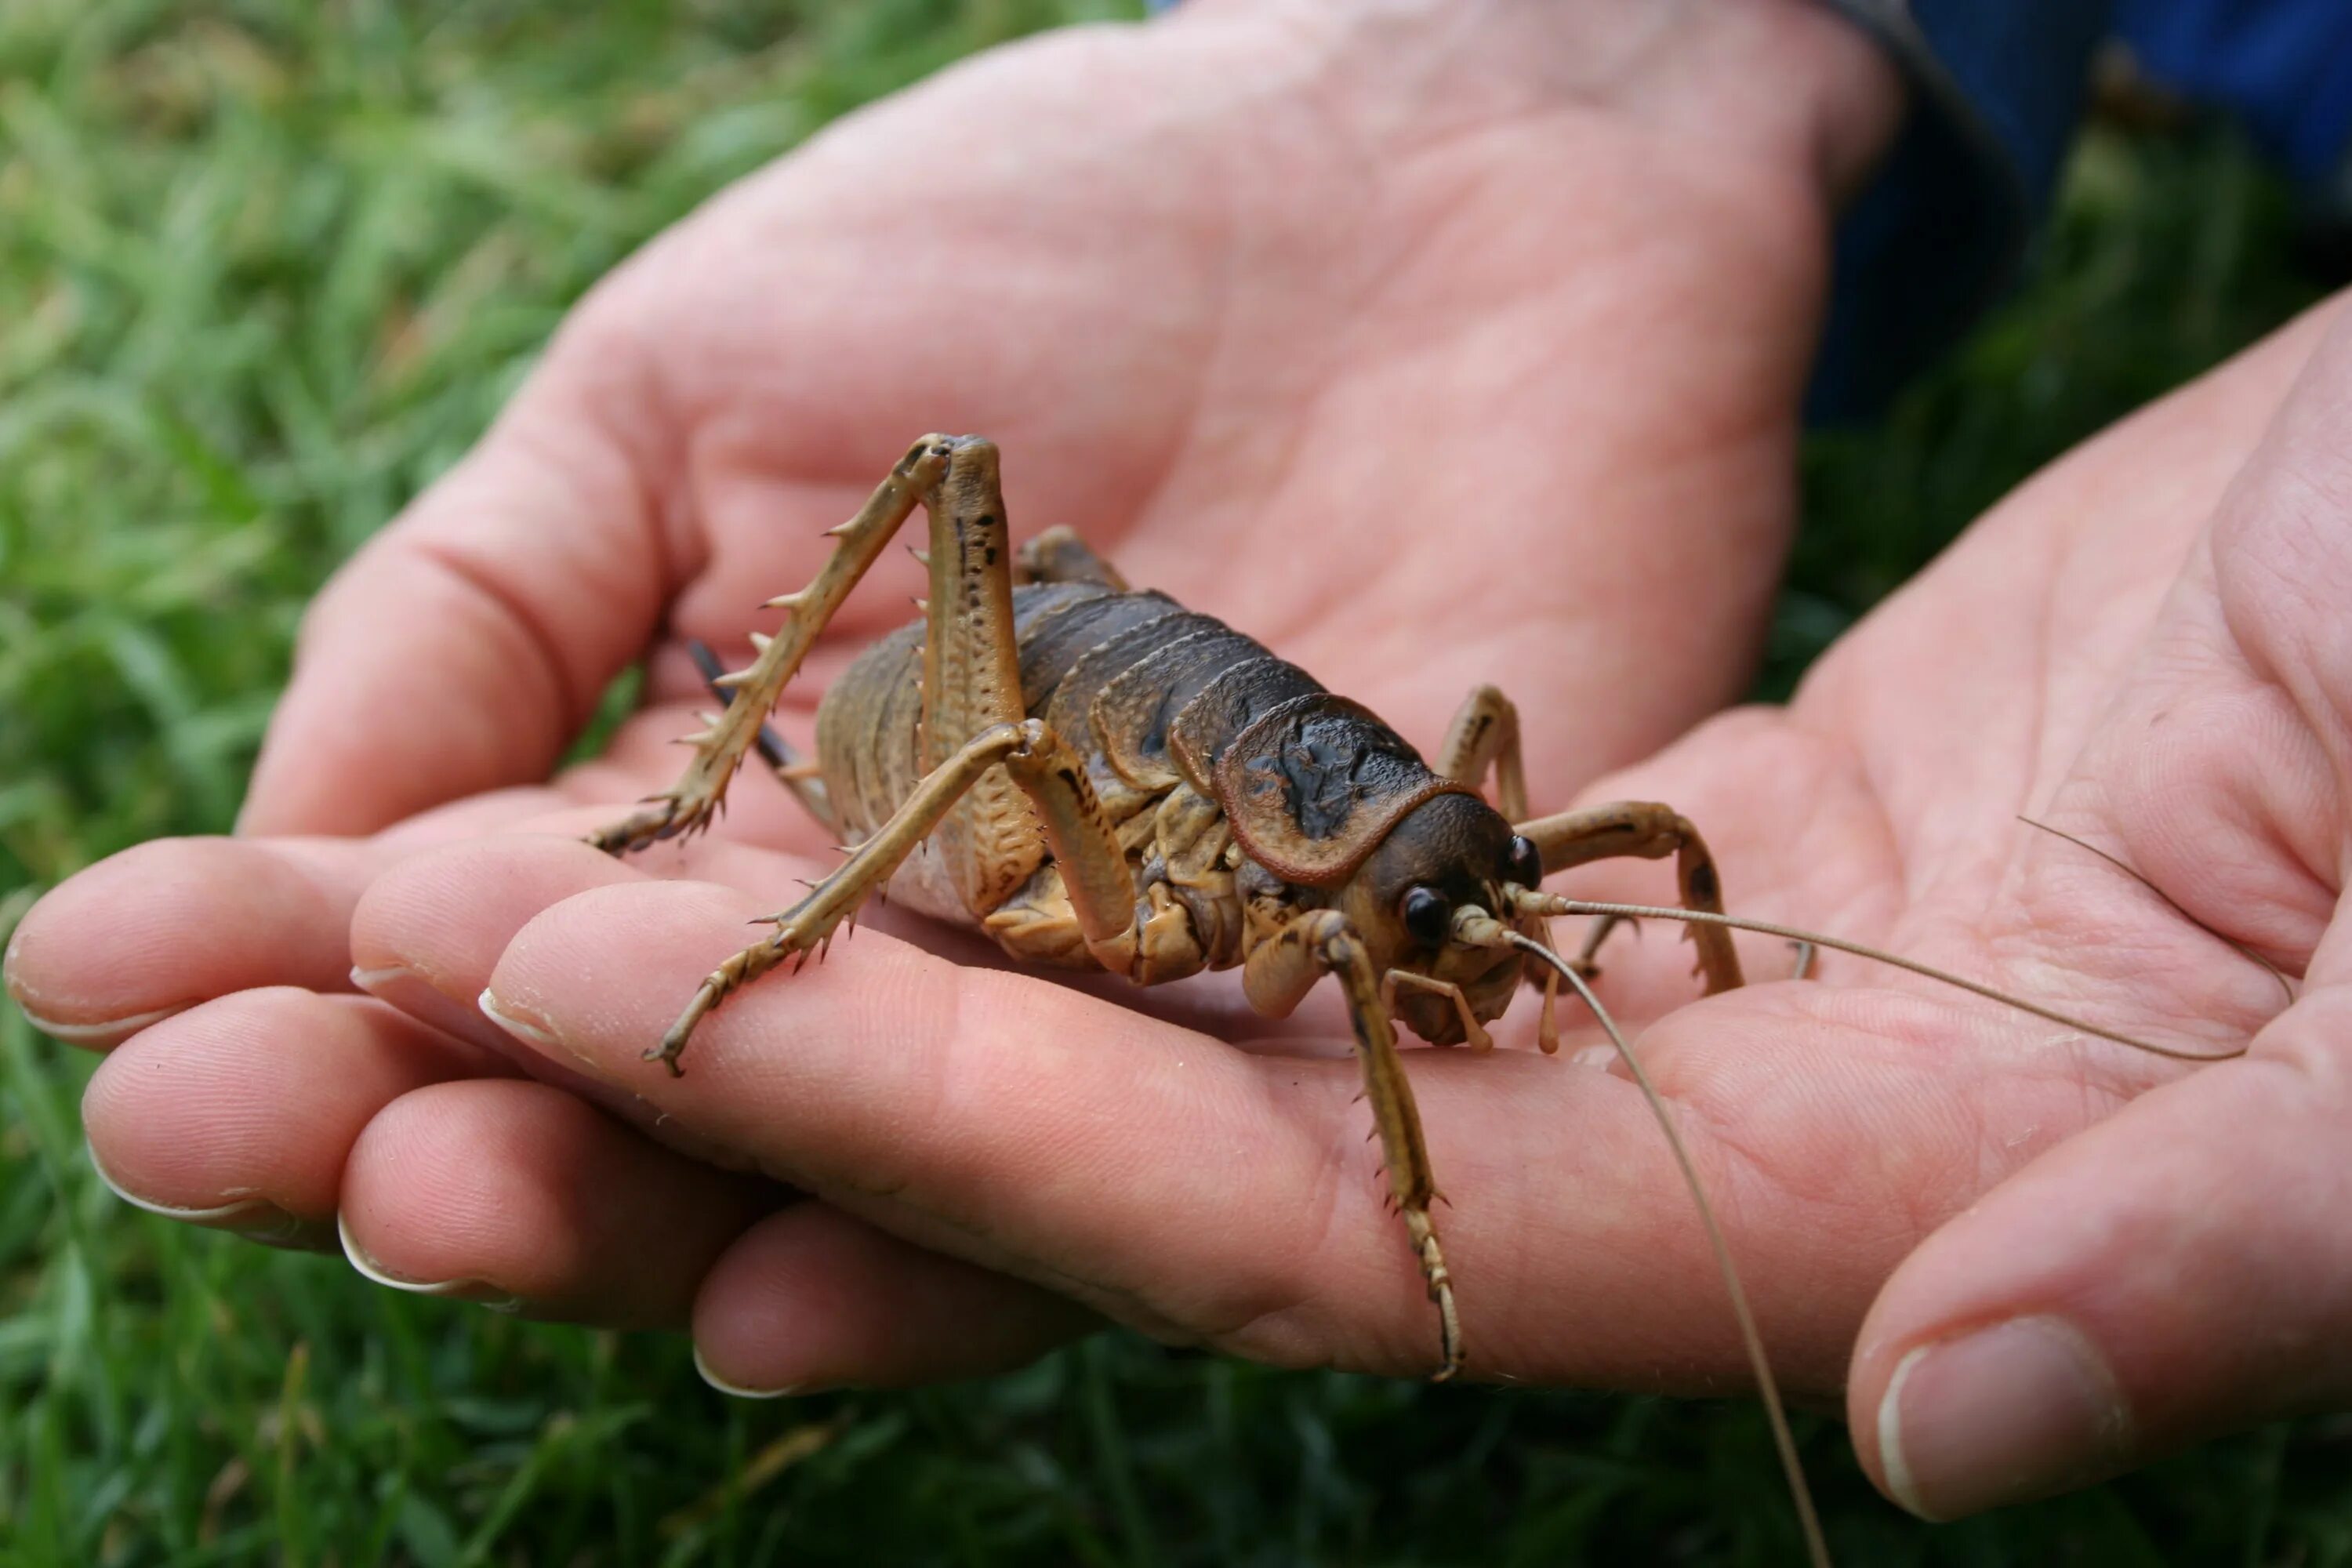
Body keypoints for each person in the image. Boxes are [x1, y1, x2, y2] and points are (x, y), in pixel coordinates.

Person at [5, 0, 2350, 1524]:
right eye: (1442, 904)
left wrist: (1685, 989)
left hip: (1208, 718)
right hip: (973, 741)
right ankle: (698, 801)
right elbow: (997, 791)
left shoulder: (1450, 836)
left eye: (1460, 893)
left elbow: (1623, 846)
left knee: (1453, 854)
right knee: (964, 519)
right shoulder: (1196, 892)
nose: (1466, 947)